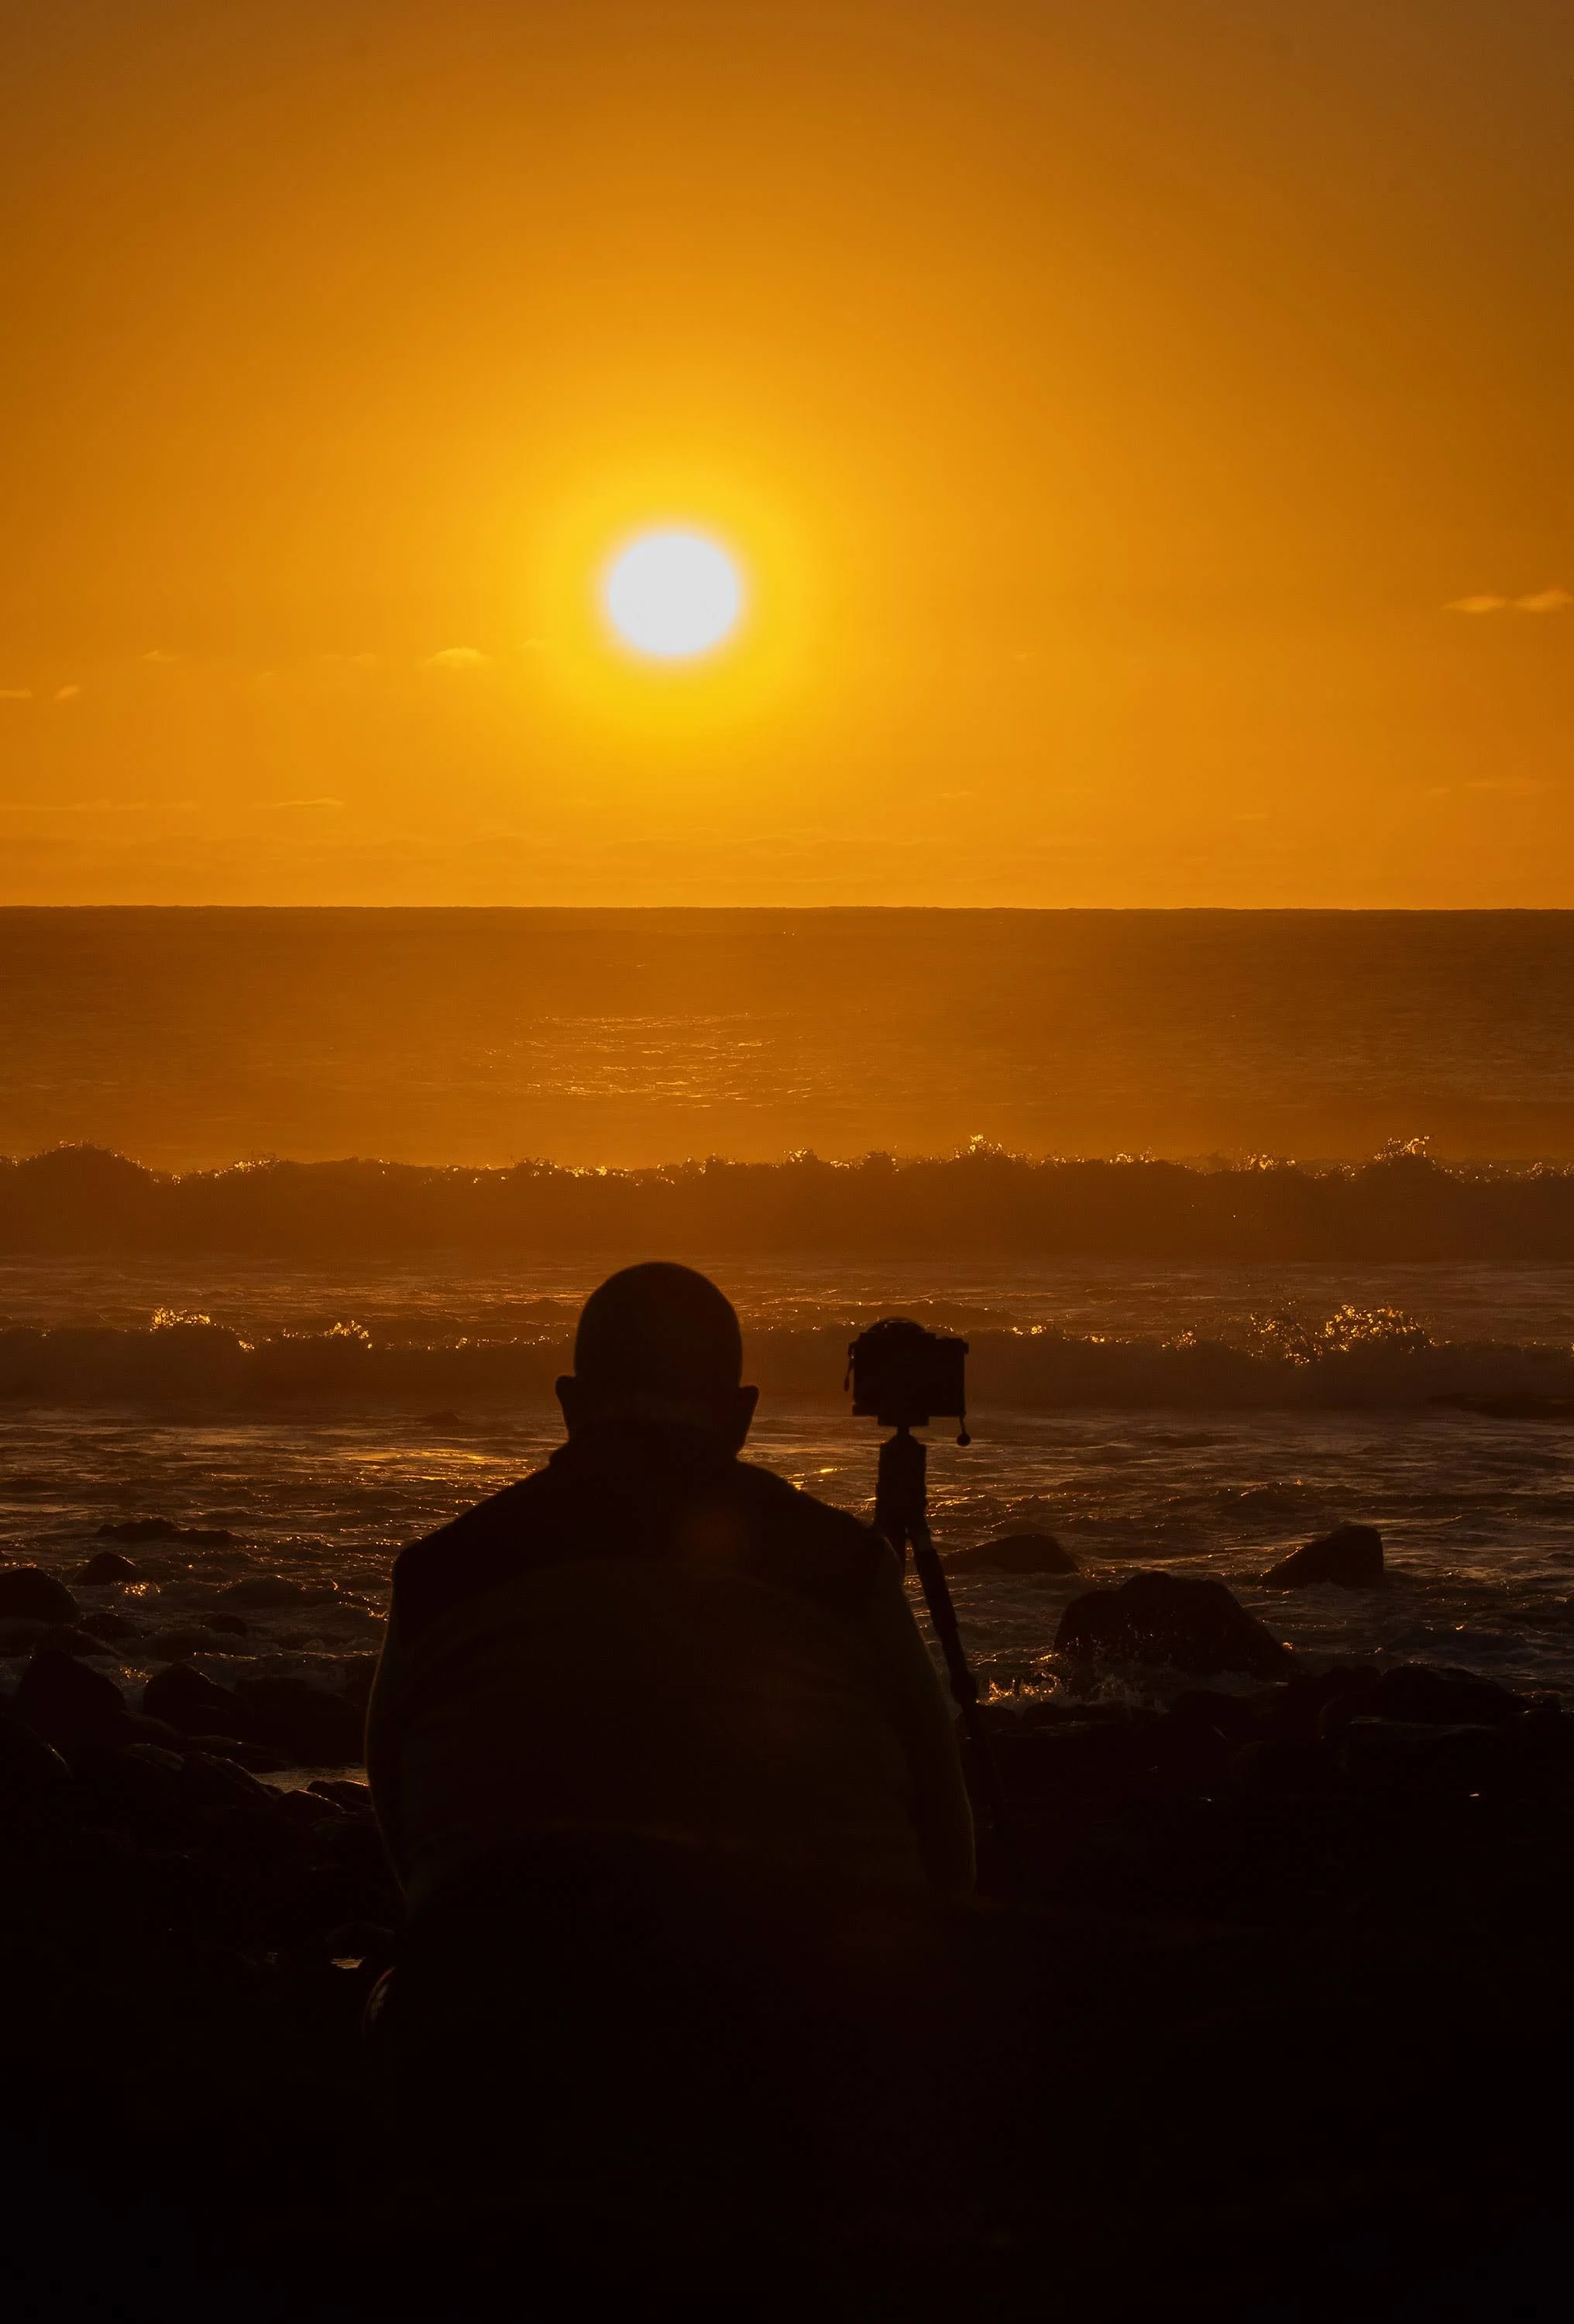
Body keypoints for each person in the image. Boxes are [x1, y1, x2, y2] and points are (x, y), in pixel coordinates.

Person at [366, 1260, 974, 1917]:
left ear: (569, 1404)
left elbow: (399, 1819)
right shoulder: (847, 1568)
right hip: (799, 1992)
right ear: (741, 1414)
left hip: (500, 1995)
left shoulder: (435, 1575)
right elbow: (943, 1822)